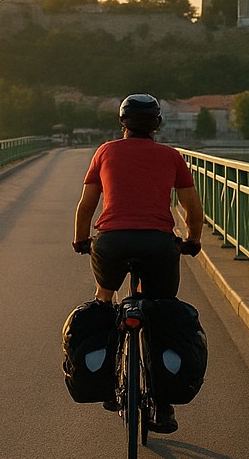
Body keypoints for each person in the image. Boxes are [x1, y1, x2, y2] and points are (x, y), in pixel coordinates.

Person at [72, 93, 203, 432]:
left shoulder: (105, 151)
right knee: (160, 308)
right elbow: (192, 207)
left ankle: (108, 379)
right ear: (157, 124)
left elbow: (87, 204)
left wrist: (81, 239)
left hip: (112, 242)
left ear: (122, 124)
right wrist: (192, 240)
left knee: (104, 300)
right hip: (159, 244)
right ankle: (163, 407)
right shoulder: (171, 156)